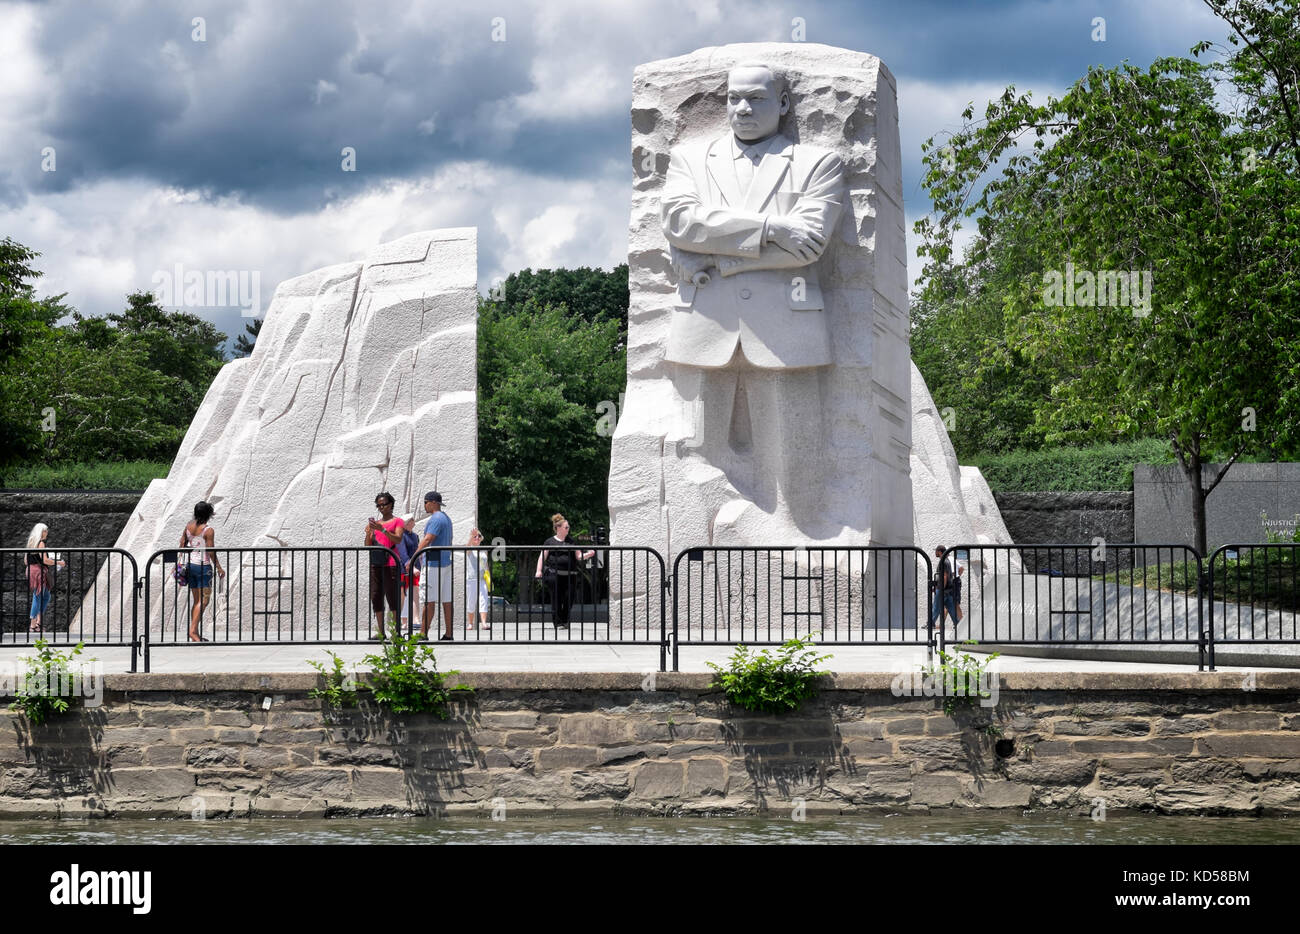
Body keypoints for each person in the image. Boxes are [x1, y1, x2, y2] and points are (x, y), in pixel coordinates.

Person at [535, 514, 594, 629]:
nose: (568, 529)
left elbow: (579, 556)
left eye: (568, 527)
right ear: (558, 528)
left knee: (569, 599)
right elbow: (542, 556)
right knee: (556, 599)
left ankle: (565, 620)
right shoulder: (550, 542)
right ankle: (558, 623)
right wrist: (538, 571)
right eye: (566, 527)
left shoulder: (571, 541)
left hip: (570, 576)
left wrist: (588, 555)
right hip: (554, 575)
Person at [181, 502, 226, 642]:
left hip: (191, 566)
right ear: (209, 514)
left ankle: (195, 632)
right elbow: (210, 551)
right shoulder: (208, 530)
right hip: (203, 567)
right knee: (204, 600)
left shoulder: (188, 526)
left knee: (197, 601)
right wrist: (218, 567)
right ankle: (193, 631)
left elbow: (182, 543)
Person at [364, 491, 405, 640]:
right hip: (376, 563)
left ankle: (396, 631)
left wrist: (382, 530)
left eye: (384, 504)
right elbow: (367, 545)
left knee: (392, 597)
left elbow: (398, 539)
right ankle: (381, 632)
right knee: (376, 596)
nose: (381, 507)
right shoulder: (376, 524)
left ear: (391, 505)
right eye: (379, 505)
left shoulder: (398, 521)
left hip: (391, 563)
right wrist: (368, 533)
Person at [417, 491, 453, 641]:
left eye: (425, 502)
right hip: (445, 562)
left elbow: (427, 539)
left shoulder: (436, 518)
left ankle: (423, 634)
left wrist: (414, 557)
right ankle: (449, 633)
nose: (424, 505)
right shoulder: (446, 518)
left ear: (432, 502)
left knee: (428, 599)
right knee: (446, 600)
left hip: (433, 563)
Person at [25, 523, 66, 633]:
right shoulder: (41, 543)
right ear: (41, 532)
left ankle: (38, 621)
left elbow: (25, 561)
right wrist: (59, 562)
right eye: (45, 531)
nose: (47, 533)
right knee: (37, 596)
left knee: (46, 595)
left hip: (31, 570)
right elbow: (45, 560)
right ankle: (33, 626)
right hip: (38, 571)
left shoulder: (31, 542)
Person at [930, 545, 961, 637]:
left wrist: (941, 588)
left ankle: (930, 623)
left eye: (936, 551)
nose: (935, 553)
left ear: (939, 551)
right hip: (948, 589)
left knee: (936, 607)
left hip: (943, 589)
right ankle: (958, 624)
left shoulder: (943, 561)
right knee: (951, 608)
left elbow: (944, 576)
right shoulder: (946, 561)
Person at [463, 528, 490, 631]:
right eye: (475, 536)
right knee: (471, 601)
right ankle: (470, 623)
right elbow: (467, 547)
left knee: (484, 600)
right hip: (471, 578)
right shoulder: (470, 549)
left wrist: (489, 578)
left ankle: (483, 623)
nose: (477, 538)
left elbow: (486, 565)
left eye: (478, 536)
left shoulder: (484, 550)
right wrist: (471, 536)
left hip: (482, 579)